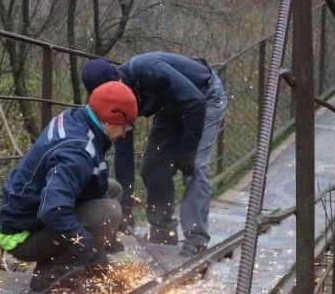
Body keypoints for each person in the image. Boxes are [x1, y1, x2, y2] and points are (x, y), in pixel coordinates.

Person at [0, 81, 138, 291]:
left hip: (28, 214)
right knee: (109, 211)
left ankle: (81, 264)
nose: (125, 133)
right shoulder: (77, 151)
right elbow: (53, 212)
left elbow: (91, 183)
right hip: (20, 235)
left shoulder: (78, 120)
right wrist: (92, 253)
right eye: (126, 126)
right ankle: (53, 276)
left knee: (113, 189)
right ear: (110, 119)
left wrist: (111, 245)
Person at [81, 53, 227, 257]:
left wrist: (187, 150)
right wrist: (124, 210)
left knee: (195, 166)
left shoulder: (149, 70)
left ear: (118, 83)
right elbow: (124, 156)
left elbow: (195, 102)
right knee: (153, 168)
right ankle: (163, 233)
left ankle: (196, 240)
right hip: (170, 109)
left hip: (205, 98)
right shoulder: (112, 103)